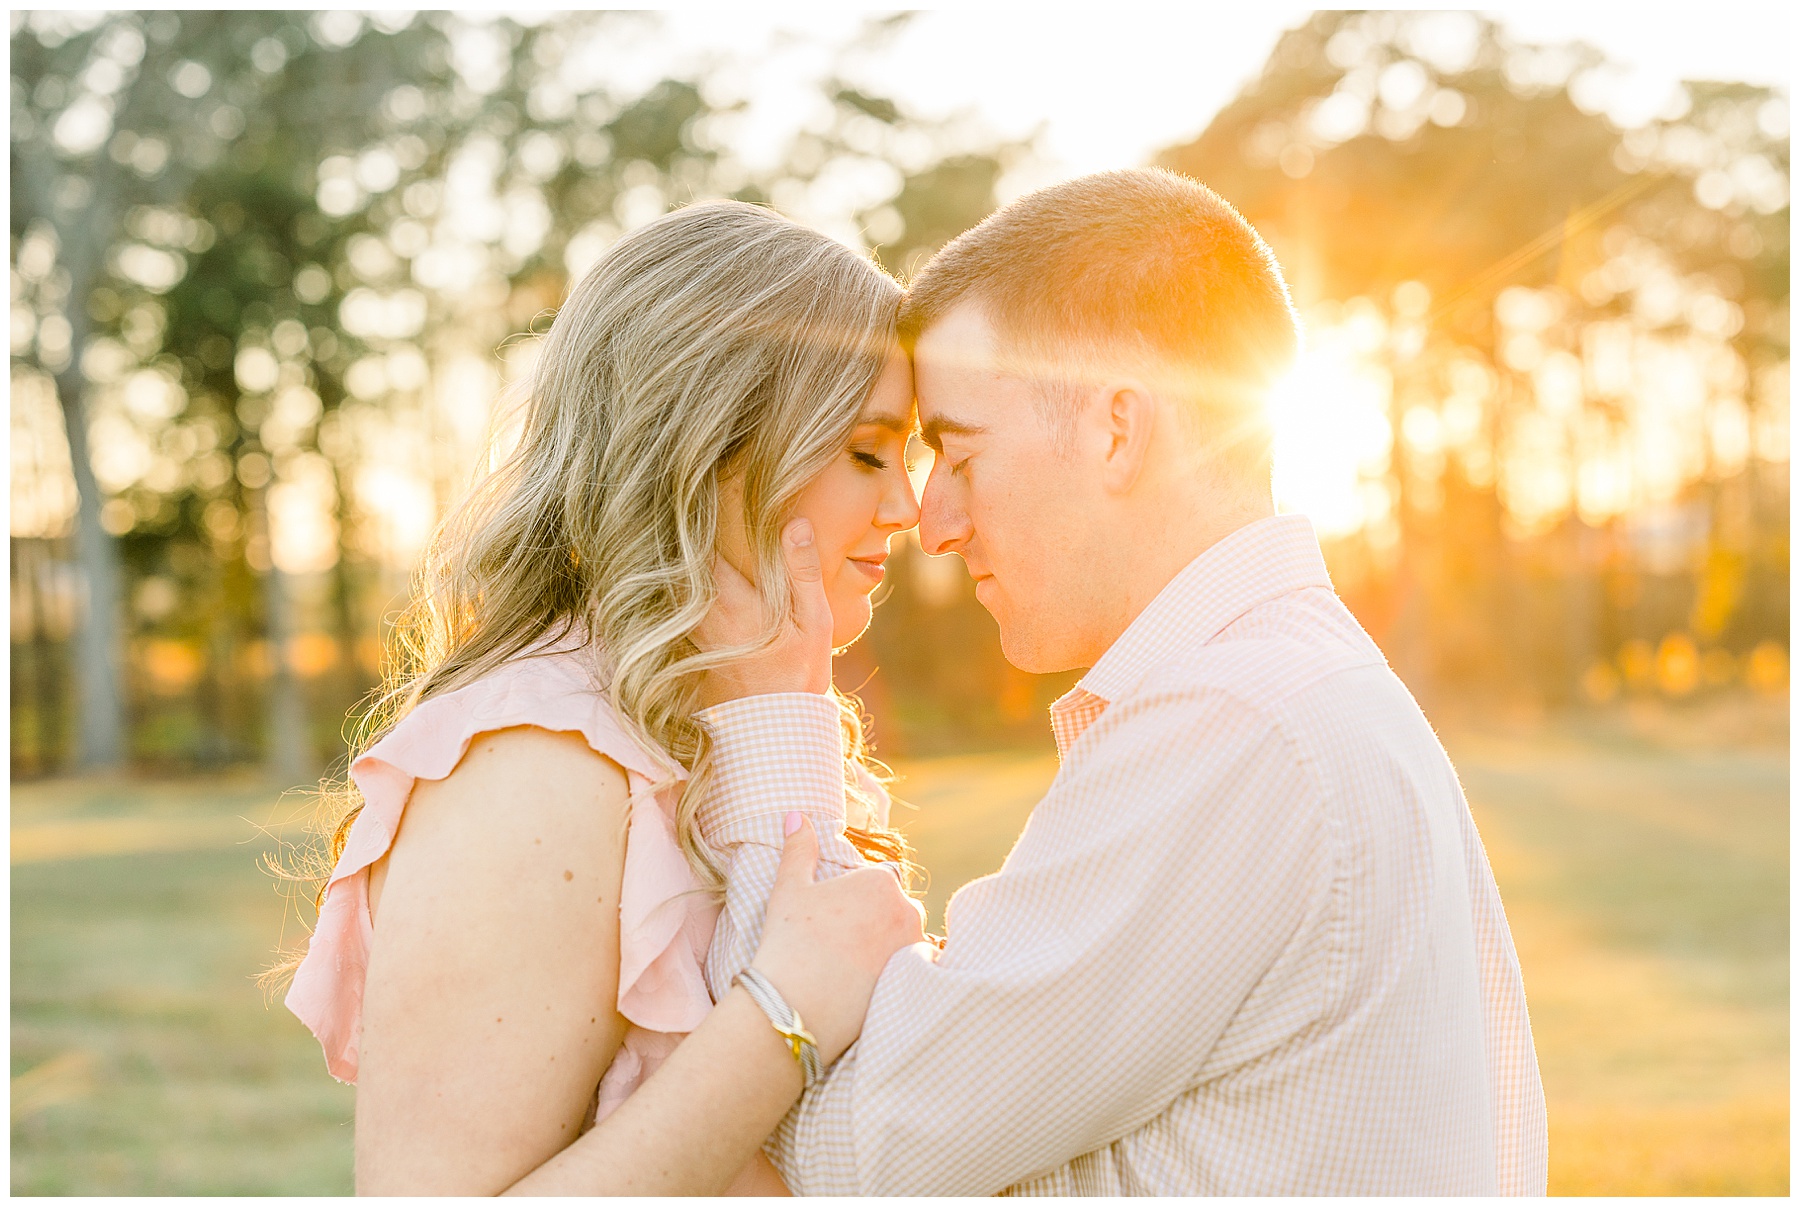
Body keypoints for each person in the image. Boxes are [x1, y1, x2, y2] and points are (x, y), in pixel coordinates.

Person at [695, 168, 1550, 1195]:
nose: (935, 520)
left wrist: (770, 718)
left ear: (1115, 429)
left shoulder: (1234, 727)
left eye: (961, 455)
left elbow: (853, 1150)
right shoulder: (1307, 693)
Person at [280, 200, 929, 1194]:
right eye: (868, 451)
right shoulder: (536, 761)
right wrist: (781, 1015)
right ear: (713, 449)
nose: (907, 507)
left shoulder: (744, 722)